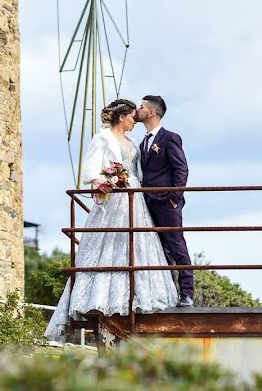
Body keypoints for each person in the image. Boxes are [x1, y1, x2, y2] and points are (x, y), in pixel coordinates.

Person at [45, 99, 178, 344]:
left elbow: (137, 172)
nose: (134, 121)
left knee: (137, 244)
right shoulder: (103, 139)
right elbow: (89, 171)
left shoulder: (133, 144)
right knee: (109, 247)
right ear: (121, 118)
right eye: (131, 118)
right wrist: (105, 183)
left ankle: (141, 296)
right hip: (115, 199)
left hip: (134, 199)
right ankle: (101, 299)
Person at [136, 95, 194, 307]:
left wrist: (174, 198)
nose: (137, 110)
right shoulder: (143, 141)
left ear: (151, 112)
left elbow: (181, 168)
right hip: (148, 202)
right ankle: (168, 292)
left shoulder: (170, 138)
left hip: (167, 202)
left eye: (141, 107)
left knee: (176, 245)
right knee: (159, 249)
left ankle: (187, 293)